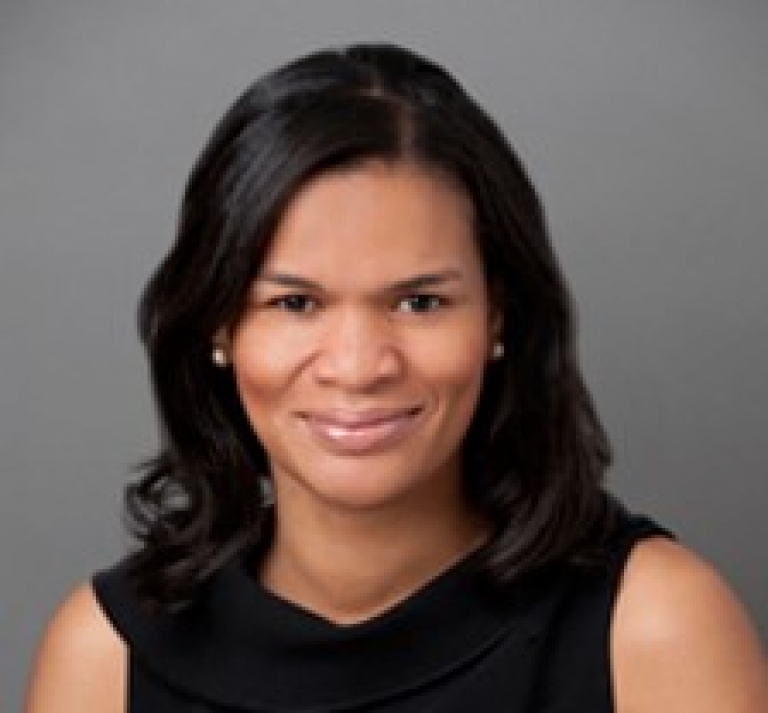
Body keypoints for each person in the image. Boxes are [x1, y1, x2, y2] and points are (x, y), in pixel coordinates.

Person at [26, 43, 766, 712]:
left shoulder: (653, 627)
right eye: (295, 302)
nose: (358, 364)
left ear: (498, 317)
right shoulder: (105, 657)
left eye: (420, 301)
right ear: (219, 325)